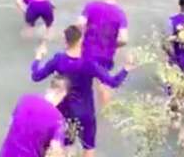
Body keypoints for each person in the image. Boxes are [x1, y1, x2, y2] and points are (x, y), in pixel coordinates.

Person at [31, 25, 134, 157]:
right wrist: (126, 68)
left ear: (65, 41)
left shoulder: (58, 59)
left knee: (65, 148)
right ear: (81, 41)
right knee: (89, 148)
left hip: (65, 112)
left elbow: (36, 76)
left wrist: (38, 57)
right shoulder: (89, 63)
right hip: (86, 112)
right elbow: (113, 82)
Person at [76, 0, 128, 106]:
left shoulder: (91, 6)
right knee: (103, 85)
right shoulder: (120, 14)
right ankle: (106, 115)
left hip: (87, 51)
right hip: (105, 55)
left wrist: (81, 39)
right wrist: (112, 44)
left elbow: (79, 24)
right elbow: (124, 39)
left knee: (81, 85)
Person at [0, 75, 68, 157]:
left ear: (49, 88)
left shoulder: (25, 99)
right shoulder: (57, 119)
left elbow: (10, 124)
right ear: (63, 93)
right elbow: (56, 151)